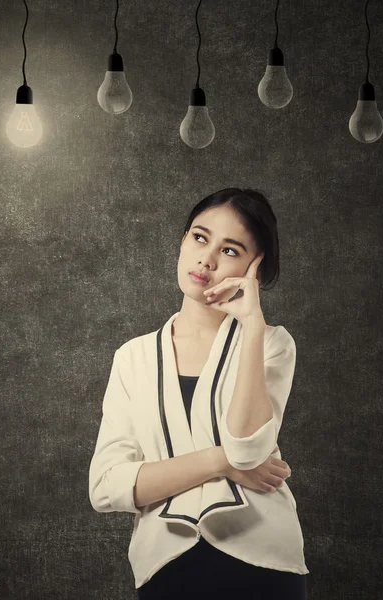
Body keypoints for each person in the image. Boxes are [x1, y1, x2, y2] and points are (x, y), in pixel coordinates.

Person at [88, 188, 309, 599]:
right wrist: (217, 461)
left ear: (253, 270)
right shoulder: (132, 358)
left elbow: (247, 450)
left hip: (263, 563)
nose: (206, 259)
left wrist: (253, 325)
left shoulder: (273, 343)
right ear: (183, 240)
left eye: (231, 250)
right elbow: (105, 486)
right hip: (166, 567)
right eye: (200, 237)